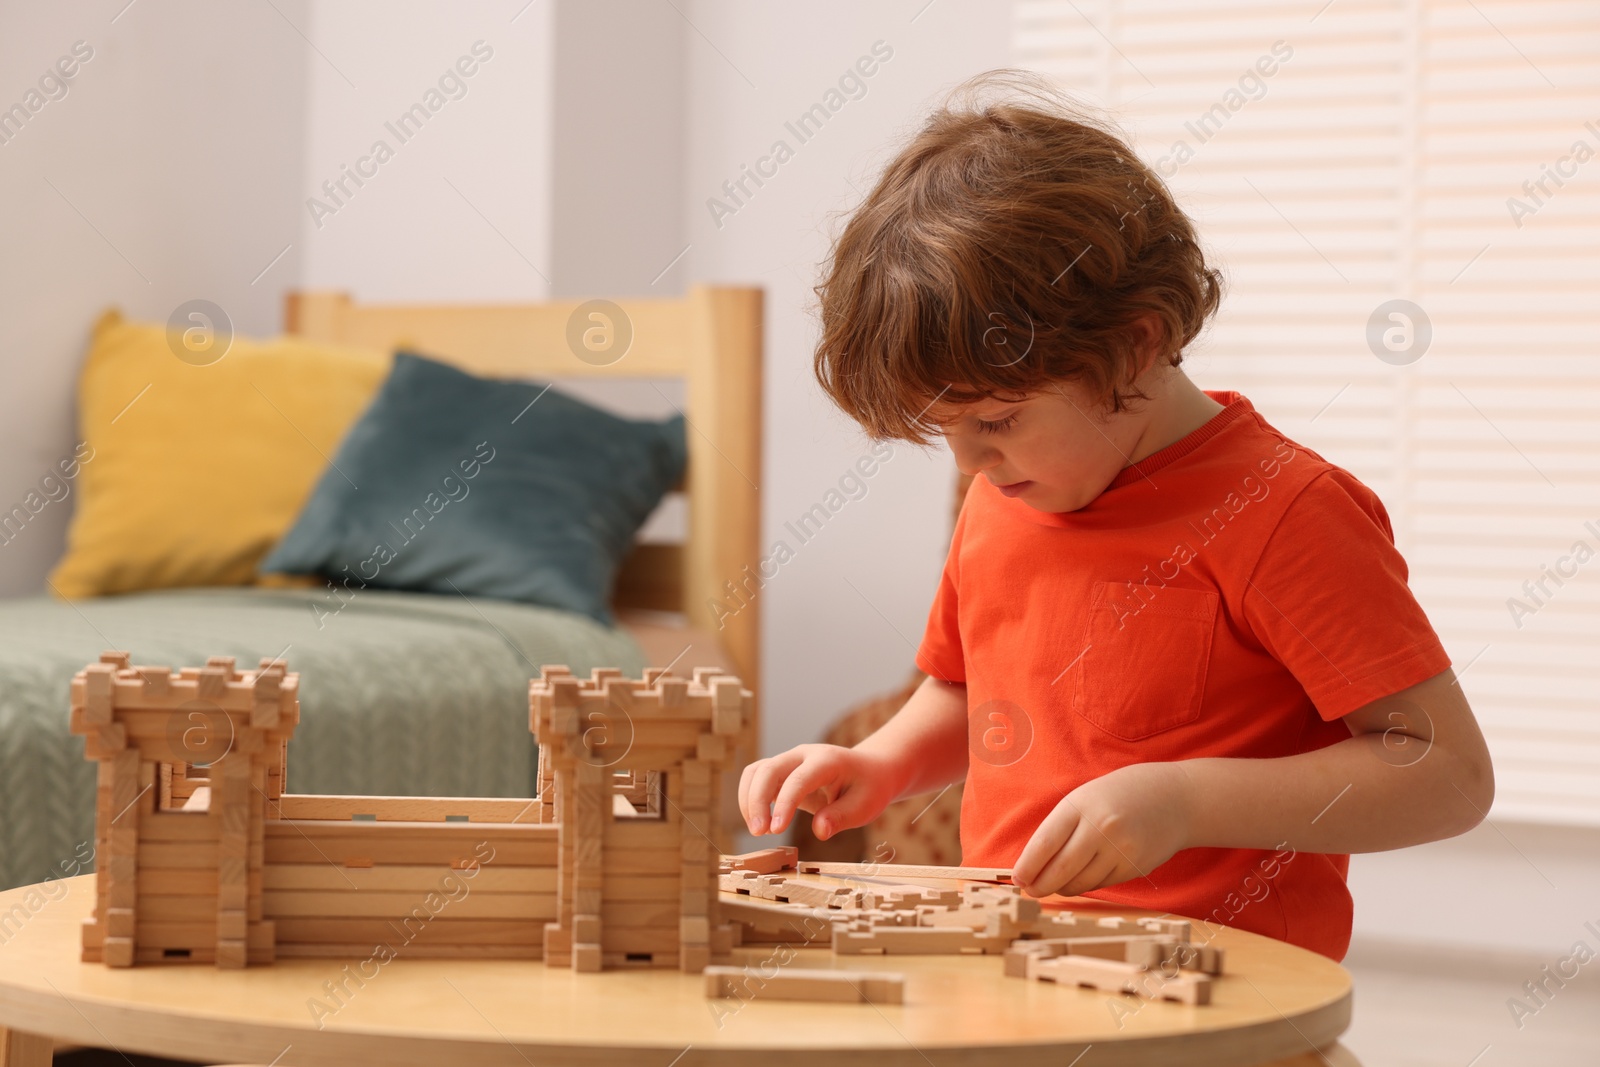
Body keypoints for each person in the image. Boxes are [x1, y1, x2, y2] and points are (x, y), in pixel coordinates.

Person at [736, 71, 1494, 960]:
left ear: (1134, 343)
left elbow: (1447, 773)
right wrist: (886, 765)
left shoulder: (1286, 513)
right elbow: (968, 690)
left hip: (1220, 994)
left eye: (997, 420)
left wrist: (1184, 801)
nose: (970, 462)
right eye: (947, 430)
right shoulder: (1003, 499)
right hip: (1014, 966)